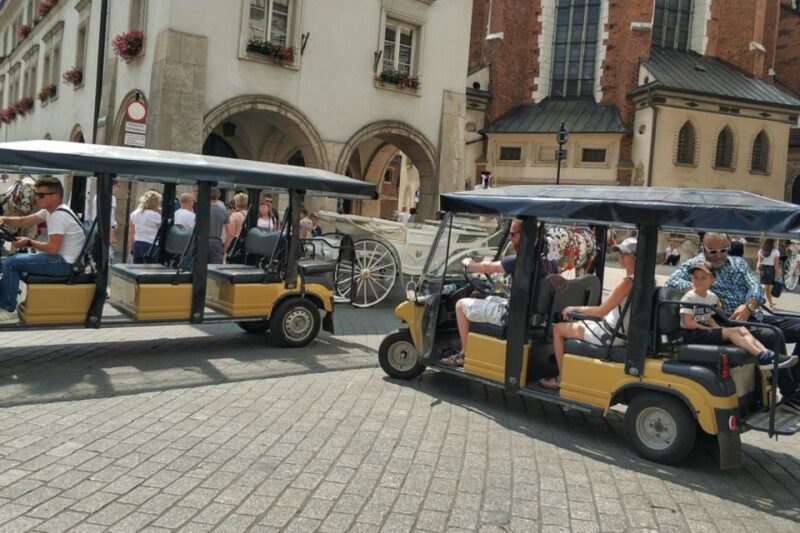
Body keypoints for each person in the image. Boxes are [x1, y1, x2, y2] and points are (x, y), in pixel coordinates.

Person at [666, 232, 800, 413]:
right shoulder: (695, 265)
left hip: (754, 314)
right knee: (774, 335)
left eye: (723, 250)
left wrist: (749, 305)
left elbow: (754, 285)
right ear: (704, 248)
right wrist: (699, 286)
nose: (719, 255)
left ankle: (794, 385)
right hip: (728, 320)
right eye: (713, 252)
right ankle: (790, 393)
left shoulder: (738, 263)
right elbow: (671, 281)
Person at [541, 238, 637, 389]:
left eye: (626, 254)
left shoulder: (626, 283)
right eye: (620, 253)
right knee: (578, 323)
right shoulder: (643, 281)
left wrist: (575, 308)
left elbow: (600, 312)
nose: (620, 257)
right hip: (619, 333)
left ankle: (562, 378)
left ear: (636, 257)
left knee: (558, 328)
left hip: (608, 335)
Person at [678, 261, 795, 370]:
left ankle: (767, 354)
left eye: (703, 278)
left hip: (704, 331)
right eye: (695, 277)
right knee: (731, 332)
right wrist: (713, 330)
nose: (698, 281)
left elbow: (708, 317)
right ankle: (761, 356)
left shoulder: (711, 297)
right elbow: (688, 323)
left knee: (742, 329)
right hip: (692, 334)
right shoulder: (689, 297)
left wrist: (717, 328)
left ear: (712, 280)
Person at [0, 177, 86, 323]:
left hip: (65, 264)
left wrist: (29, 242)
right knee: (6, 262)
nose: (36, 198)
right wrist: (3, 218)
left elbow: (52, 249)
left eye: (41, 195)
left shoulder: (58, 216)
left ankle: (8, 310)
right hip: (60, 259)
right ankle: (7, 301)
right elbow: (23, 221)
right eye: (36, 194)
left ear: (56, 196)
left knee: (10, 263)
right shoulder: (50, 211)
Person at [444, 219, 522, 367]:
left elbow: (487, 267)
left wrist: (469, 263)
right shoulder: (542, 261)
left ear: (524, 235)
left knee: (461, 305)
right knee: (488, 297)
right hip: (522, 311)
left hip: (510, 314)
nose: (510, 238)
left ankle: (464, 354)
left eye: (512, 234)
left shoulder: (517, 260)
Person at [128, 190, 162, 264]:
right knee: (150, 271)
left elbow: (131, 232)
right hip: (151, 245)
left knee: (137, 269)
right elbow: (162, 230)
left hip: (138, 244)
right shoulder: (155, 215)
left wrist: (131, 246)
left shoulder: (134, 214)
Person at [757, 238, 781, 309]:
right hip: (771, 270)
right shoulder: (775, 251)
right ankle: (767, 303)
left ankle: (768, 303)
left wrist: (757, 269)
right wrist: (777, 273)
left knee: (765, 287)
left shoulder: (761, 251)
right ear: (772, 243)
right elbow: (776, 264)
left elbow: (759, 261)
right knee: (767, 288)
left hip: (763, 268)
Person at [209, 187, 230, 264]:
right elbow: (230, 233)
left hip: (202, 242)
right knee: (215, 271)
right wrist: (224, 248)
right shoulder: (224, 212)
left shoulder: (202, 210)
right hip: (216, 243)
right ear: (219, 196)